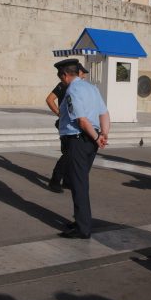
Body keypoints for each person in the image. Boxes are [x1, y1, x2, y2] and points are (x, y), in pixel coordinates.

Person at [57, 59, 110, 239]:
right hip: (90, 141)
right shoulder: (92, 88)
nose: (61, 81)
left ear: (65, 74)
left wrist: (97, 138)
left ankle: (83, 228)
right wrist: (103, 135)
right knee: (77, 180)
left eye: (60, 77)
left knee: (79, 184)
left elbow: (81, 120)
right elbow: (104, 114)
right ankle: (81, 220)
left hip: (78, 140)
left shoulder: (72, 90)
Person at [45, 60, 87, 193]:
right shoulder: (63, 85)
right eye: (82, 73)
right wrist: (59, 113)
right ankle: (55, 180)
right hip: (66, 125)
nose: (84, 76)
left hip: (77, 124)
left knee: (71, 154)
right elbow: (49, 99)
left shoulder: (82, 87)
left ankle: (67, 181)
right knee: (68, 154)